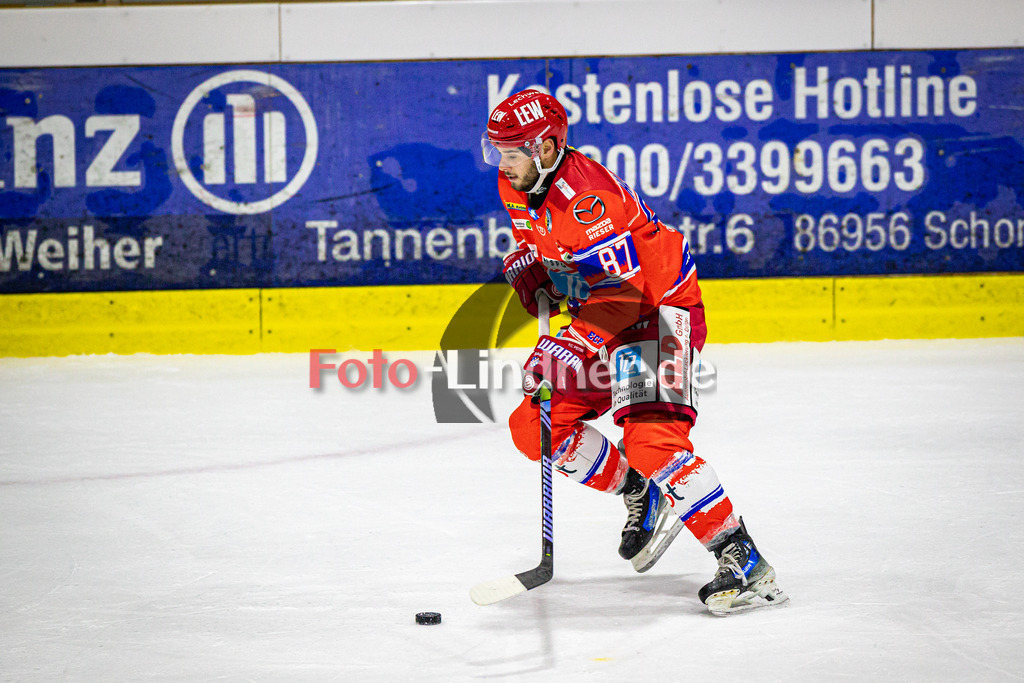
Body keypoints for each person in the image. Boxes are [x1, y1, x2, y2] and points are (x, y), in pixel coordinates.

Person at [482, 89, 789, 615]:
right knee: (533, 425)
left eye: (512, 151)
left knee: (651, 440)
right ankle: (639, 491)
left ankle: (742, 559)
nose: (502, 162)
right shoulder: (519, 181)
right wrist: (531, 267)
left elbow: (626, 295)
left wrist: (568, 345)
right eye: (498, 150)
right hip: (607, 313)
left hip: (656, 311)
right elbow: (546, 248)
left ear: (548, 146)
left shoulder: (586, 199)